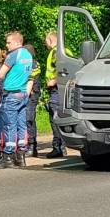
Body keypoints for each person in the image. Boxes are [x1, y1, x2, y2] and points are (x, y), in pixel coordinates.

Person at [0, 31, 35, 168]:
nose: (6, 45)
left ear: (17, 42)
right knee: (21, 125)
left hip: (11, 94)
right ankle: (21, 156)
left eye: (9, 42)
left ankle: (8, 156)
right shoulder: (28, 55)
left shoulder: (13, 55)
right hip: (23, 94)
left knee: (10, 125)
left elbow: (0, 74)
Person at [43, 31, 69, 159]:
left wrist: (54, 80)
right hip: (62, 90)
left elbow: (64, 70)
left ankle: (58, 147)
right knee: (59, 118)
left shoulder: (56, 52)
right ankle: (61, 147)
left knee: (55, 119)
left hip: (56, 89)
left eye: (46, 41)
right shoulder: (65, 51)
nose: (45, 43)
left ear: (50, 40)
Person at [24, 43, 42, 157]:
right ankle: (29, 145)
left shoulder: (33, 64)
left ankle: (32, 146)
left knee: (29, 119)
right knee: (26, 119)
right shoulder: (28, 63)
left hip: (31, 95)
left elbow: (30, 80)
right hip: (28, 94)